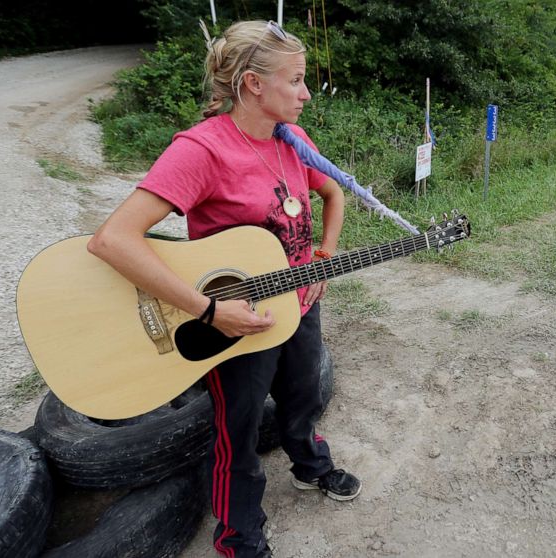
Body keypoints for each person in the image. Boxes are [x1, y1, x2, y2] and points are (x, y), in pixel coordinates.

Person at [87, 20, 360, 558]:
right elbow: (113, 240)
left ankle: (310, 467)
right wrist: (209, 311)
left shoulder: (292, 137)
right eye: (297, 80)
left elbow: (333, 193)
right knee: (237, 429)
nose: (306, 93)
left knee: (304, 395)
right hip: (231, 321)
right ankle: (238, 533)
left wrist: (323, 257)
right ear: (254, 84)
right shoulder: (201, 150)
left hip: (299, 302)